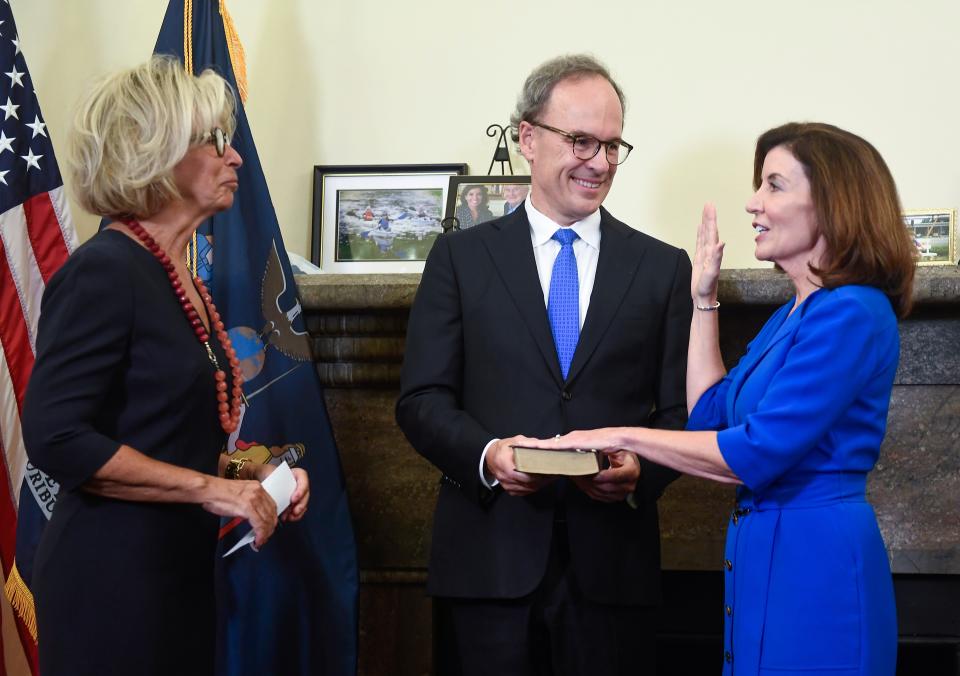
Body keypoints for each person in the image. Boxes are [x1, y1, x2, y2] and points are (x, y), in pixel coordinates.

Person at [533, 122, 915, 675]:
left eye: (774, 185)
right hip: (764, 555)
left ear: (833, 203)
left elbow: (755, 453)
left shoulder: (852, 312)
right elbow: (708, 414)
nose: (753, 202)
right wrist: (703, 297)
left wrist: (616, 433)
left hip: (816, 565)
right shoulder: (794, 314)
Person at [396, 54, 692, 675]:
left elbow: (678, 413)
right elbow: (422, 399)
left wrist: (640, 472)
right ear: (527, 138)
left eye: (613, 146)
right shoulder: (458, 258)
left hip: (612, 573)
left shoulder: (663, 270)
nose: (600, 162)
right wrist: (489, 457)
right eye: (581, 140)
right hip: (488, 565)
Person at [21, 56, 310, 676]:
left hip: (174, 576)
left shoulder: (181, 278)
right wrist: (216, 490)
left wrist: (256, 472)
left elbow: (166, 438)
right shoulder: (105, 272)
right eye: (214, 142)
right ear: (152, 152)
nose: (234, 157)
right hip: (110, 583)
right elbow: (58, 438)